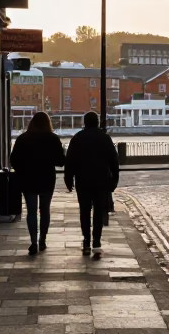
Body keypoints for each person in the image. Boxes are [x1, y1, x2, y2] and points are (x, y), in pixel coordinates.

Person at [65, 111, 120, 259]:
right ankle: (96, 241)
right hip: (101, 180)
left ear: (85, 122)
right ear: (97, 122)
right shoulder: (105, 138)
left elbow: (70, 161)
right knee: (98, 211)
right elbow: (114, 161)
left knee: (84, 211)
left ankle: (86, 241)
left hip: (83, 180)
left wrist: (68, 179)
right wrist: (114, 180)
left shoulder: (77, 138)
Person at [9, 111, 65, 255]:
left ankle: (33, 242)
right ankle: (43, 241)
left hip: (28, 180)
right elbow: (61, 161)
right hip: (47, 179)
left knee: (31, 211)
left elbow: (13, 160)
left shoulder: (23, 139)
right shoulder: (53, 139)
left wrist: (23, 169)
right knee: (45, 210)